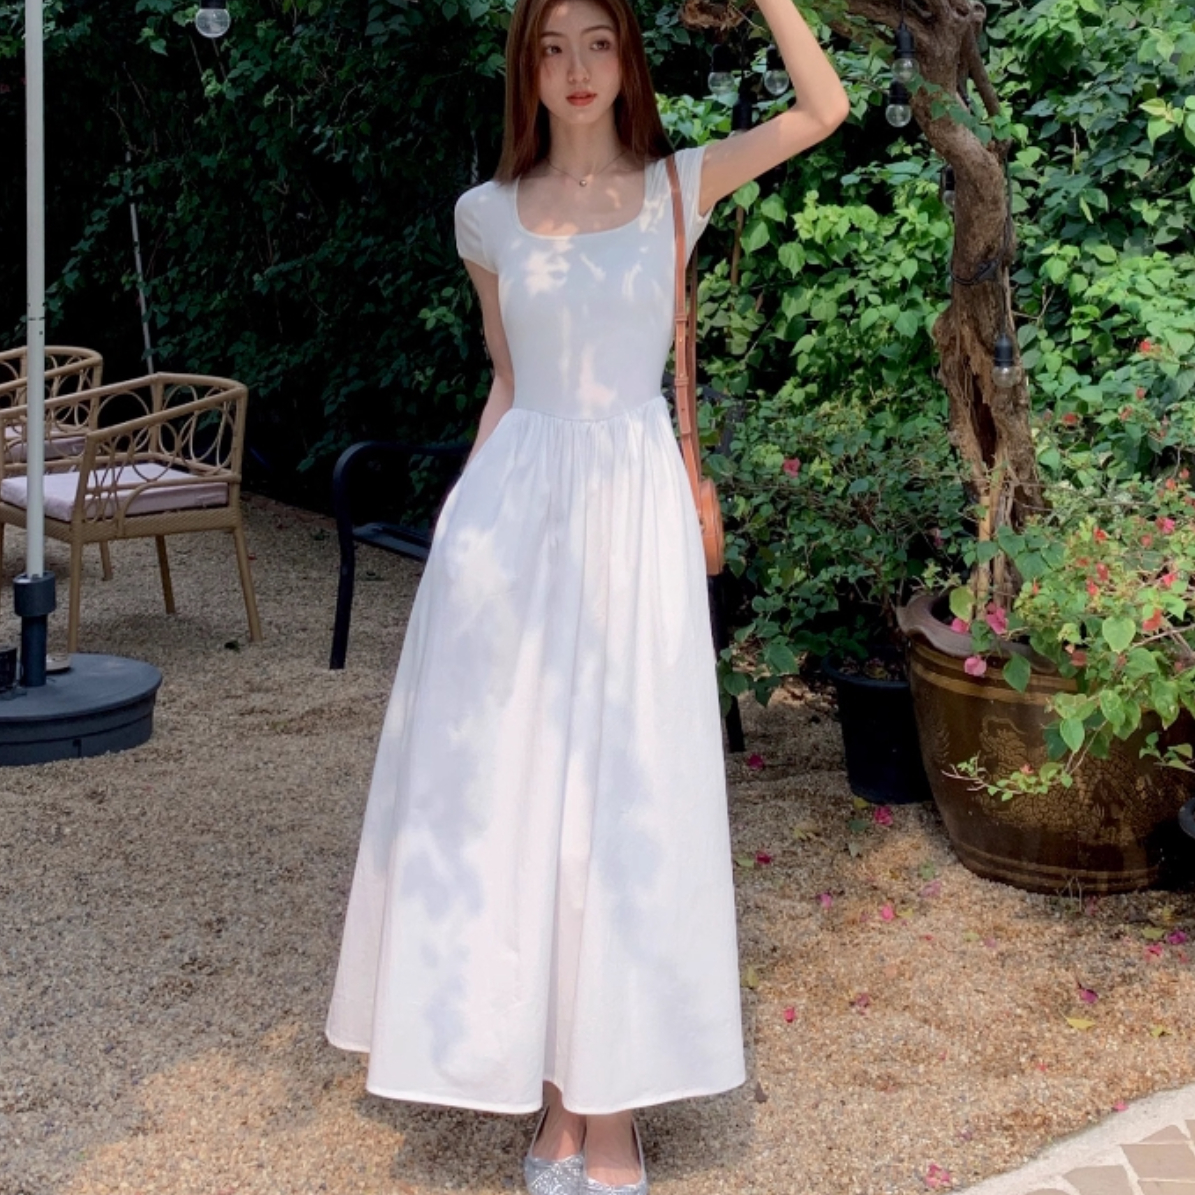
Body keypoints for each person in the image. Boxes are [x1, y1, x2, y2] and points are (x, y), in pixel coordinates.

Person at [325, 0, 848, 1190]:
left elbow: (824, 109)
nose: (575, 69)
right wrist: (459, 530)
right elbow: (509, 382)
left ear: (627, 59)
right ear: (526, 67)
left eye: (597, 43)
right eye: (552, 47)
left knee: (624, 797)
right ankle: (557, 1100)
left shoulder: (677, 187)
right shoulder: (484, 214)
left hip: (634, 513)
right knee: (522, 801)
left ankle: (611, 1112)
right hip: (513, 519)